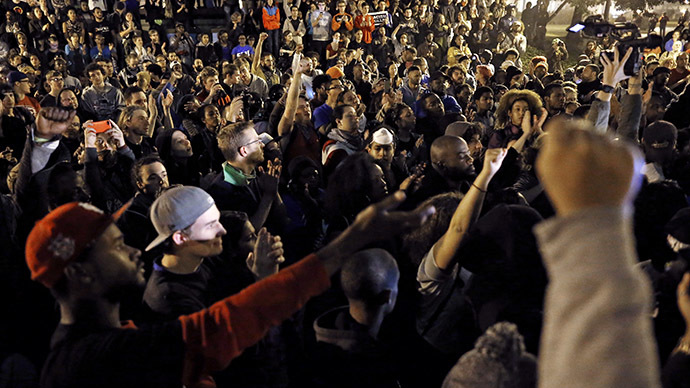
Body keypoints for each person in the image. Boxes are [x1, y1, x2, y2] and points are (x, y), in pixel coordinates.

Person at [27, 185, 434, 387]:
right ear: (80, 273)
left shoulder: (108, 343)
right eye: (115, 246)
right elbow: (224, 325)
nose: (134, 251)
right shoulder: (91, 362)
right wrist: (351, 241)